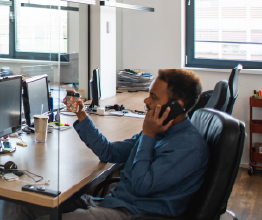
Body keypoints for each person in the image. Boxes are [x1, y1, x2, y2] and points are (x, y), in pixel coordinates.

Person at [20, 69, 209, 220]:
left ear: (177, 106)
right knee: (32, 202)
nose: (146, 100)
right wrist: (81, 113)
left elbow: (141, 186)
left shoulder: (186, 146)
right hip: (114, 202)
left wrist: (149, 135)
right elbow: (108, 152)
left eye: (153, 97)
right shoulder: (160, 131)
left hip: (134, 213)